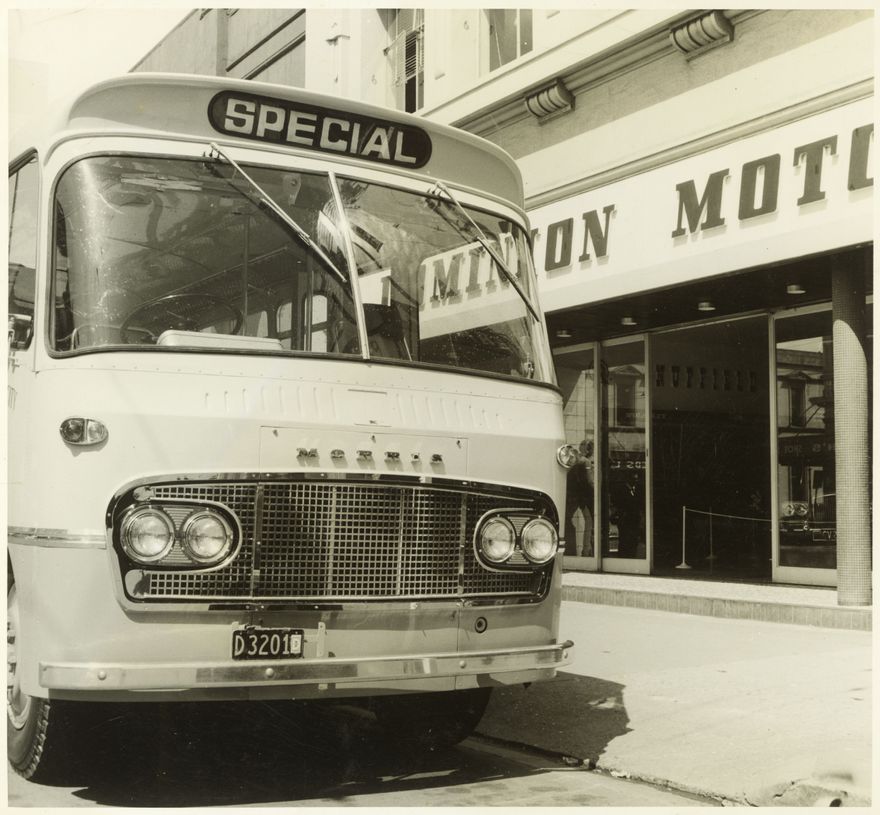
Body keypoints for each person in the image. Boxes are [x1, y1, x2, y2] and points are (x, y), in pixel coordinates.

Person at [564, 440, 595, 556]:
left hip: (575, 496)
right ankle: (587, 550)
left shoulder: (576, 461)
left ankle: (582, 550)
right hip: (584, 497)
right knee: (590, 522)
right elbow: (589, 482)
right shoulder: (585, 462)